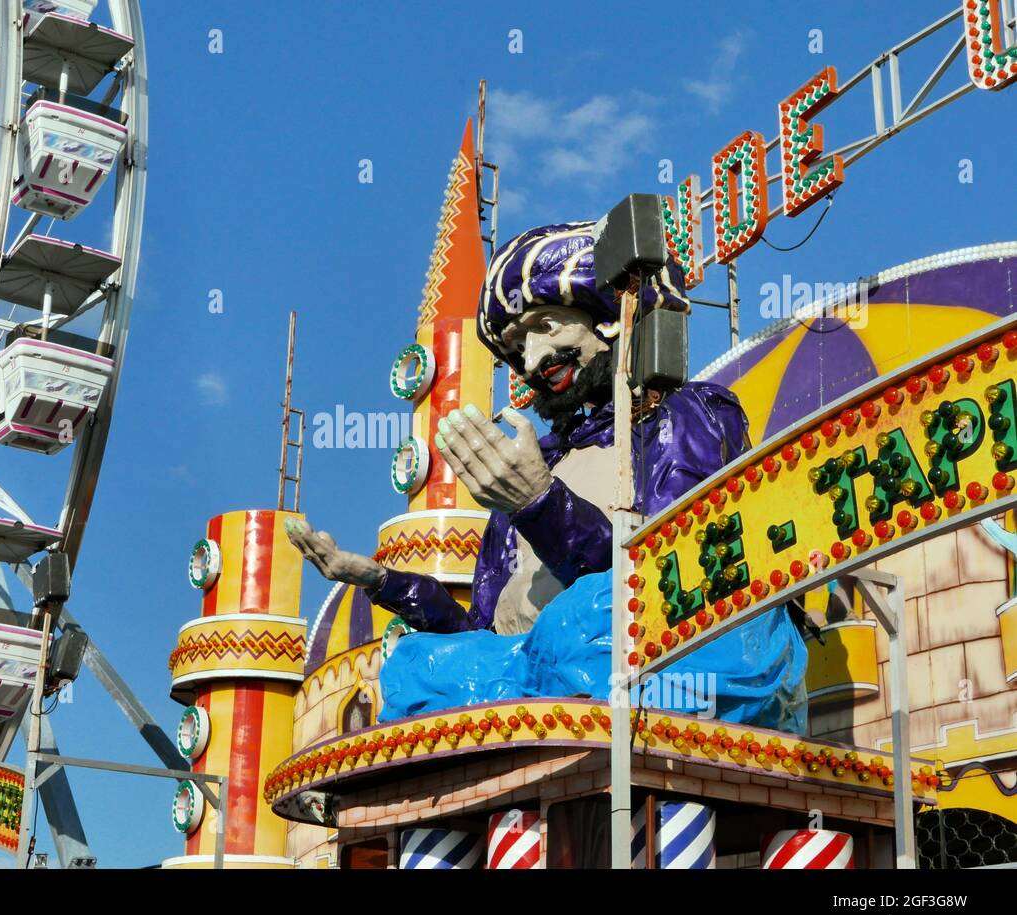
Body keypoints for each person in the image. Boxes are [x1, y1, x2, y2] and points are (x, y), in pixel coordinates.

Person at [288, 221, 807, 731]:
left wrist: (540, 503)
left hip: (659, 658)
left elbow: (671, 576)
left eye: (545, 326)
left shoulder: (680, 416)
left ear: (604, 317)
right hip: (532, 673)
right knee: (414, 662)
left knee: (576, 621)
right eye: (516, 347)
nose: (532, 360)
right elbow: (485, 634)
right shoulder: (541, 459)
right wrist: (380, 581)